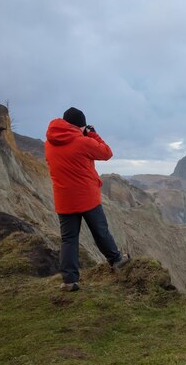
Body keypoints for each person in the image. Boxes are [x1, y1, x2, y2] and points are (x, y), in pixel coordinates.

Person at [45, 107, 130, 291]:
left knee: (68, 239)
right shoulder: (83, 141)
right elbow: (107, 153)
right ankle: (116, 260)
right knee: (100, 231)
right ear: (80, 125)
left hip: (64, 198)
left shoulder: (49, 143)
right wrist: (93, 134)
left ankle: (69, 280)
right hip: (86, 197)